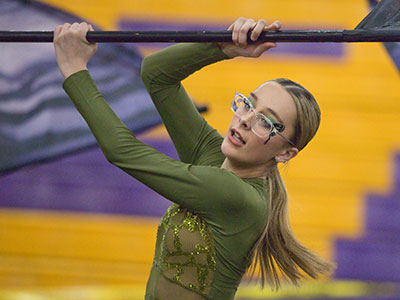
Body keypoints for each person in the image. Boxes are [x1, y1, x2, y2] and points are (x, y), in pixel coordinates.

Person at [53, 17, 334, 300]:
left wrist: (74, 70)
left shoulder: (238, 196)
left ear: (285, 153)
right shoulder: (212, 156)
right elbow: (156, 74)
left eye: (265, 121)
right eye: (248, 103)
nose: (245, 119)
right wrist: (223, 47)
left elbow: (122, 151)